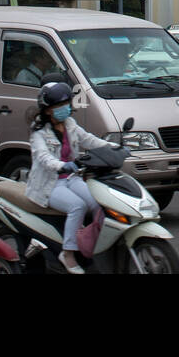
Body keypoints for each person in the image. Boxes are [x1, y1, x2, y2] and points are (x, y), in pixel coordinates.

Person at [26, 81, 115, 274]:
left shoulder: (70, 124)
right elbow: (43, 157)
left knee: (98, 203)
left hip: (72, 178)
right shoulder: (38, 132)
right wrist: (62, 165)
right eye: (59, 106)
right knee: (78, 206)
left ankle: (90, 243)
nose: (64, 108)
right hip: (49, 184)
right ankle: (68, 254)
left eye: (66, 104)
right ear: (48, 110)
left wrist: (113, 148)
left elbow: (88, 140)